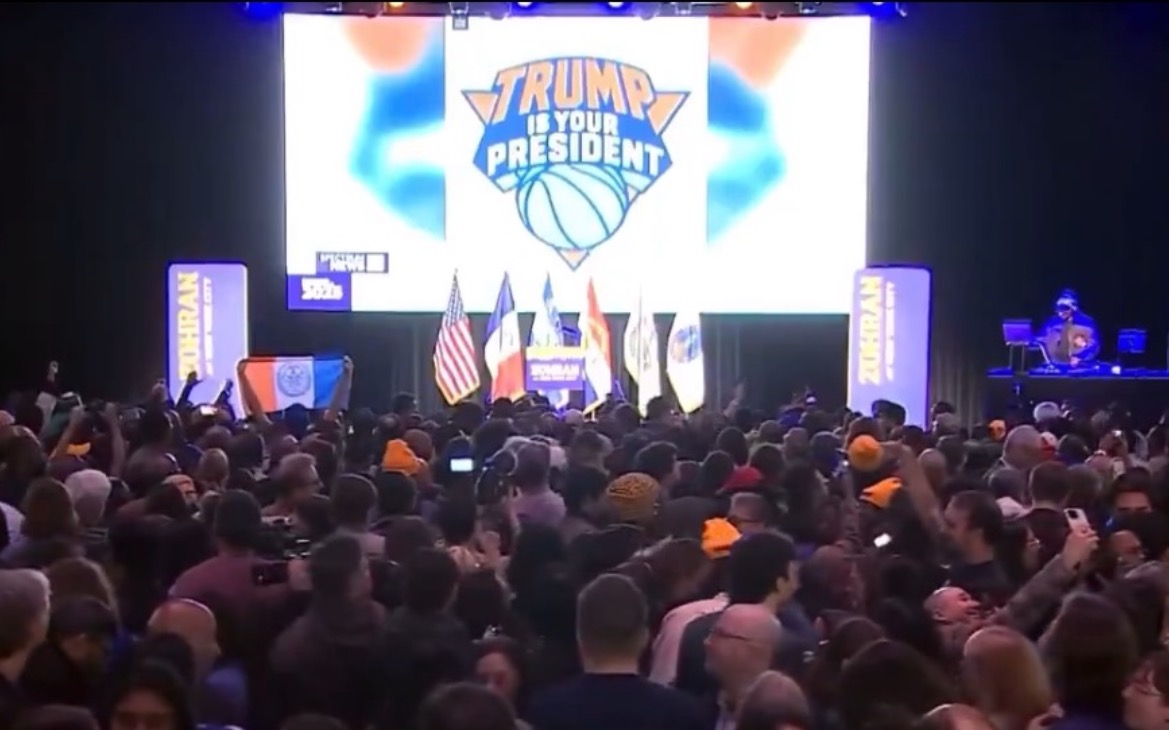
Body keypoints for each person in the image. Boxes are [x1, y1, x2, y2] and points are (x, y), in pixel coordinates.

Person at [1038, 290, 1099, 367]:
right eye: (1059, 309)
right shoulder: (1052, 322)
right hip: (1055, 365)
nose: (1061, 312)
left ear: (1074, 308)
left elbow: (1094, 345)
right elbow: (1041, 341)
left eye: (1065, 308)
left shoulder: (1086, 322)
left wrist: (1080, 358)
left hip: (1080, 366)